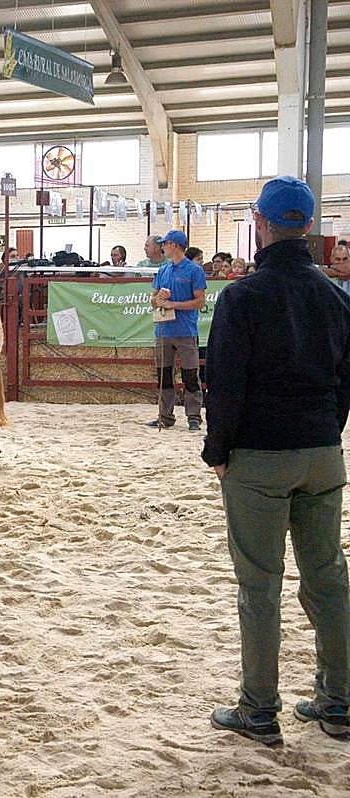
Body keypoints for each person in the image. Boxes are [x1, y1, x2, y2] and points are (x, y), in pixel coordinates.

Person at [204, 175, 350, 746]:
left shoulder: (241, 297)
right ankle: (338, 701)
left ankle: (259, 709)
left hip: (258, 458)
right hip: (321, 452)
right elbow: (345, 382)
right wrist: (326, 434)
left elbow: (226, 384)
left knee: (259, 586)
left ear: (259, 223)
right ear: (309, 227)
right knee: (329, 577)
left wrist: (218, 451)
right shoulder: (339, 296)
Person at [146, 229, 207, 430]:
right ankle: (165, 415)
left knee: (190, 374)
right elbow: (153, 301)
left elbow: (200, 302)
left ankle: (194, 416)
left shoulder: (194, 271)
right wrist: (159, 300)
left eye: (165, 243)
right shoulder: (163, 270)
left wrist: (174, 305)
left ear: (174, 245)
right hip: (164, 330)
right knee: (164, 375)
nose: (162, 246)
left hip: (185, 330)